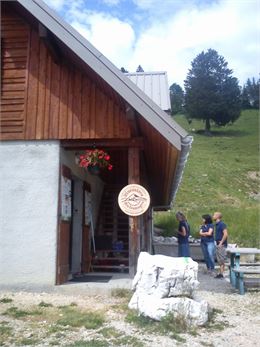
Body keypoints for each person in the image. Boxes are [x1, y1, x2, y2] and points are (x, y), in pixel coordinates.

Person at [213, 212, 228, 279]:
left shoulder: (222, 224)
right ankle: (221, 273)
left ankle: (222, 274)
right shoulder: (216, 225)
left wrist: (221, 242)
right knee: (219, 259)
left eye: (214, 215)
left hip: (221, 244)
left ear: (217, 216)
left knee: (221, 259)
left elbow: (225, 234)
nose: (213, 216)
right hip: (217, 243)